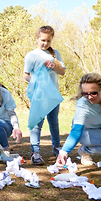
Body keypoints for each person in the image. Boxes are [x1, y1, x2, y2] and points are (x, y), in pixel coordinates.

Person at [24, 25, 66, 165]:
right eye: (42, 40)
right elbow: (26, 75)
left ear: (51, 40)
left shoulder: (55, 54)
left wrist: (54, 66)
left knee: (53, 121)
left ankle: (57, 147)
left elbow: (63, 72)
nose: (45, 43)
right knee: (37, 123)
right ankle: (35, 152)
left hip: (53, 95)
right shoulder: (31, 56)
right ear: (37, 38)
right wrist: (36, 82)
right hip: (39, 95)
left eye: (48, 41)